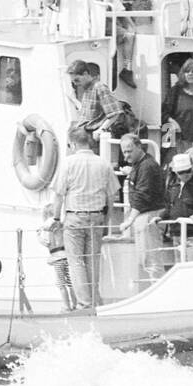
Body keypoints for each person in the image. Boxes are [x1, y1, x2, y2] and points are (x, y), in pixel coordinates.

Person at [49, 126, 118, 308]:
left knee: (76, 261)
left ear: (72, 143)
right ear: (88, 142)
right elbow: (111, 197)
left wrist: (56, 219)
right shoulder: (103, 163)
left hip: (75, 217)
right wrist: (107, 221)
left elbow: (59, 195)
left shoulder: (68, 163)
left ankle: (85, 303)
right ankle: (95, 300)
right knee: (93, 260)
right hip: (97, 217)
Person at [117, 133, 165, 285]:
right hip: (143, 216)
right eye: (124, 152)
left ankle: (159, 296)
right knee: (145, 259)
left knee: (151, 260)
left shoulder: (148, 166)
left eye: (129, 151)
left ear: (139, 147)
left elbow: (143, 195)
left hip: (149, 215)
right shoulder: (140, 165)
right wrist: (130, 172)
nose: (126, 156)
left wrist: (129, 220)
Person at [156, 152, 193, 262]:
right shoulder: (173, 184)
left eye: (188, 171)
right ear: (176, 172)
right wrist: (161, 217)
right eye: (181, 172)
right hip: (177, 233)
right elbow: (170, 205)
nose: (185, 174)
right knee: (180, 267)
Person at [89, 0, 137, 88]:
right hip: (88, 23)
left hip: (105, 23)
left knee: (129, 36)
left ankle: (127, 69)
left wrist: (131, 24)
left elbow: (119, 7)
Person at [67, 60, 124, 144]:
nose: (75, 84)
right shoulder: (86, 90)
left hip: (94, 137)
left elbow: (115, 113)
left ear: (85, 74)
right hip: (85, 137)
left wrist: (101, 130)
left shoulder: (99, 87)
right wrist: (74, 100)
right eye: (73, 82)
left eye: (77, 80)